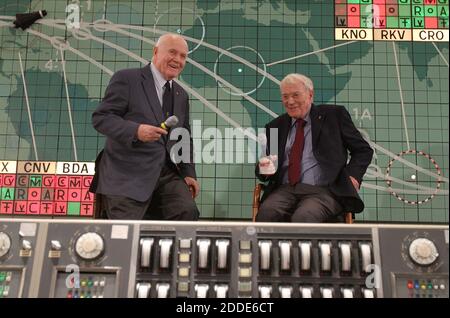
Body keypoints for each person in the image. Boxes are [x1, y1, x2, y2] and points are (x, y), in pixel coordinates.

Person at [90, 33, 200, 220]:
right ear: (156, 52)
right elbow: (101, 118)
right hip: (126, 173)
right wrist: (136, 131)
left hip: (165, 174)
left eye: (183, 56)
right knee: (127, 233)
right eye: (172, 52)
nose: (178, 60)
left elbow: (184, 136)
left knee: (187, 212)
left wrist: (189, 172)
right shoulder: (127, 79)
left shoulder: (181, 94)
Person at [256, 73, 373, 223]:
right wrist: (264, 167)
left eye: (295, 95)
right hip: (285, 189)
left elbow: (363, 150)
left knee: (304, 216)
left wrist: (353, 176)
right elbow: (269, 165)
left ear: (310, 94)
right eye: (285, 96)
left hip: (325, 190)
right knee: (266, 214)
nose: (290, 101)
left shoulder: (334, 116)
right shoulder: (274, 127)